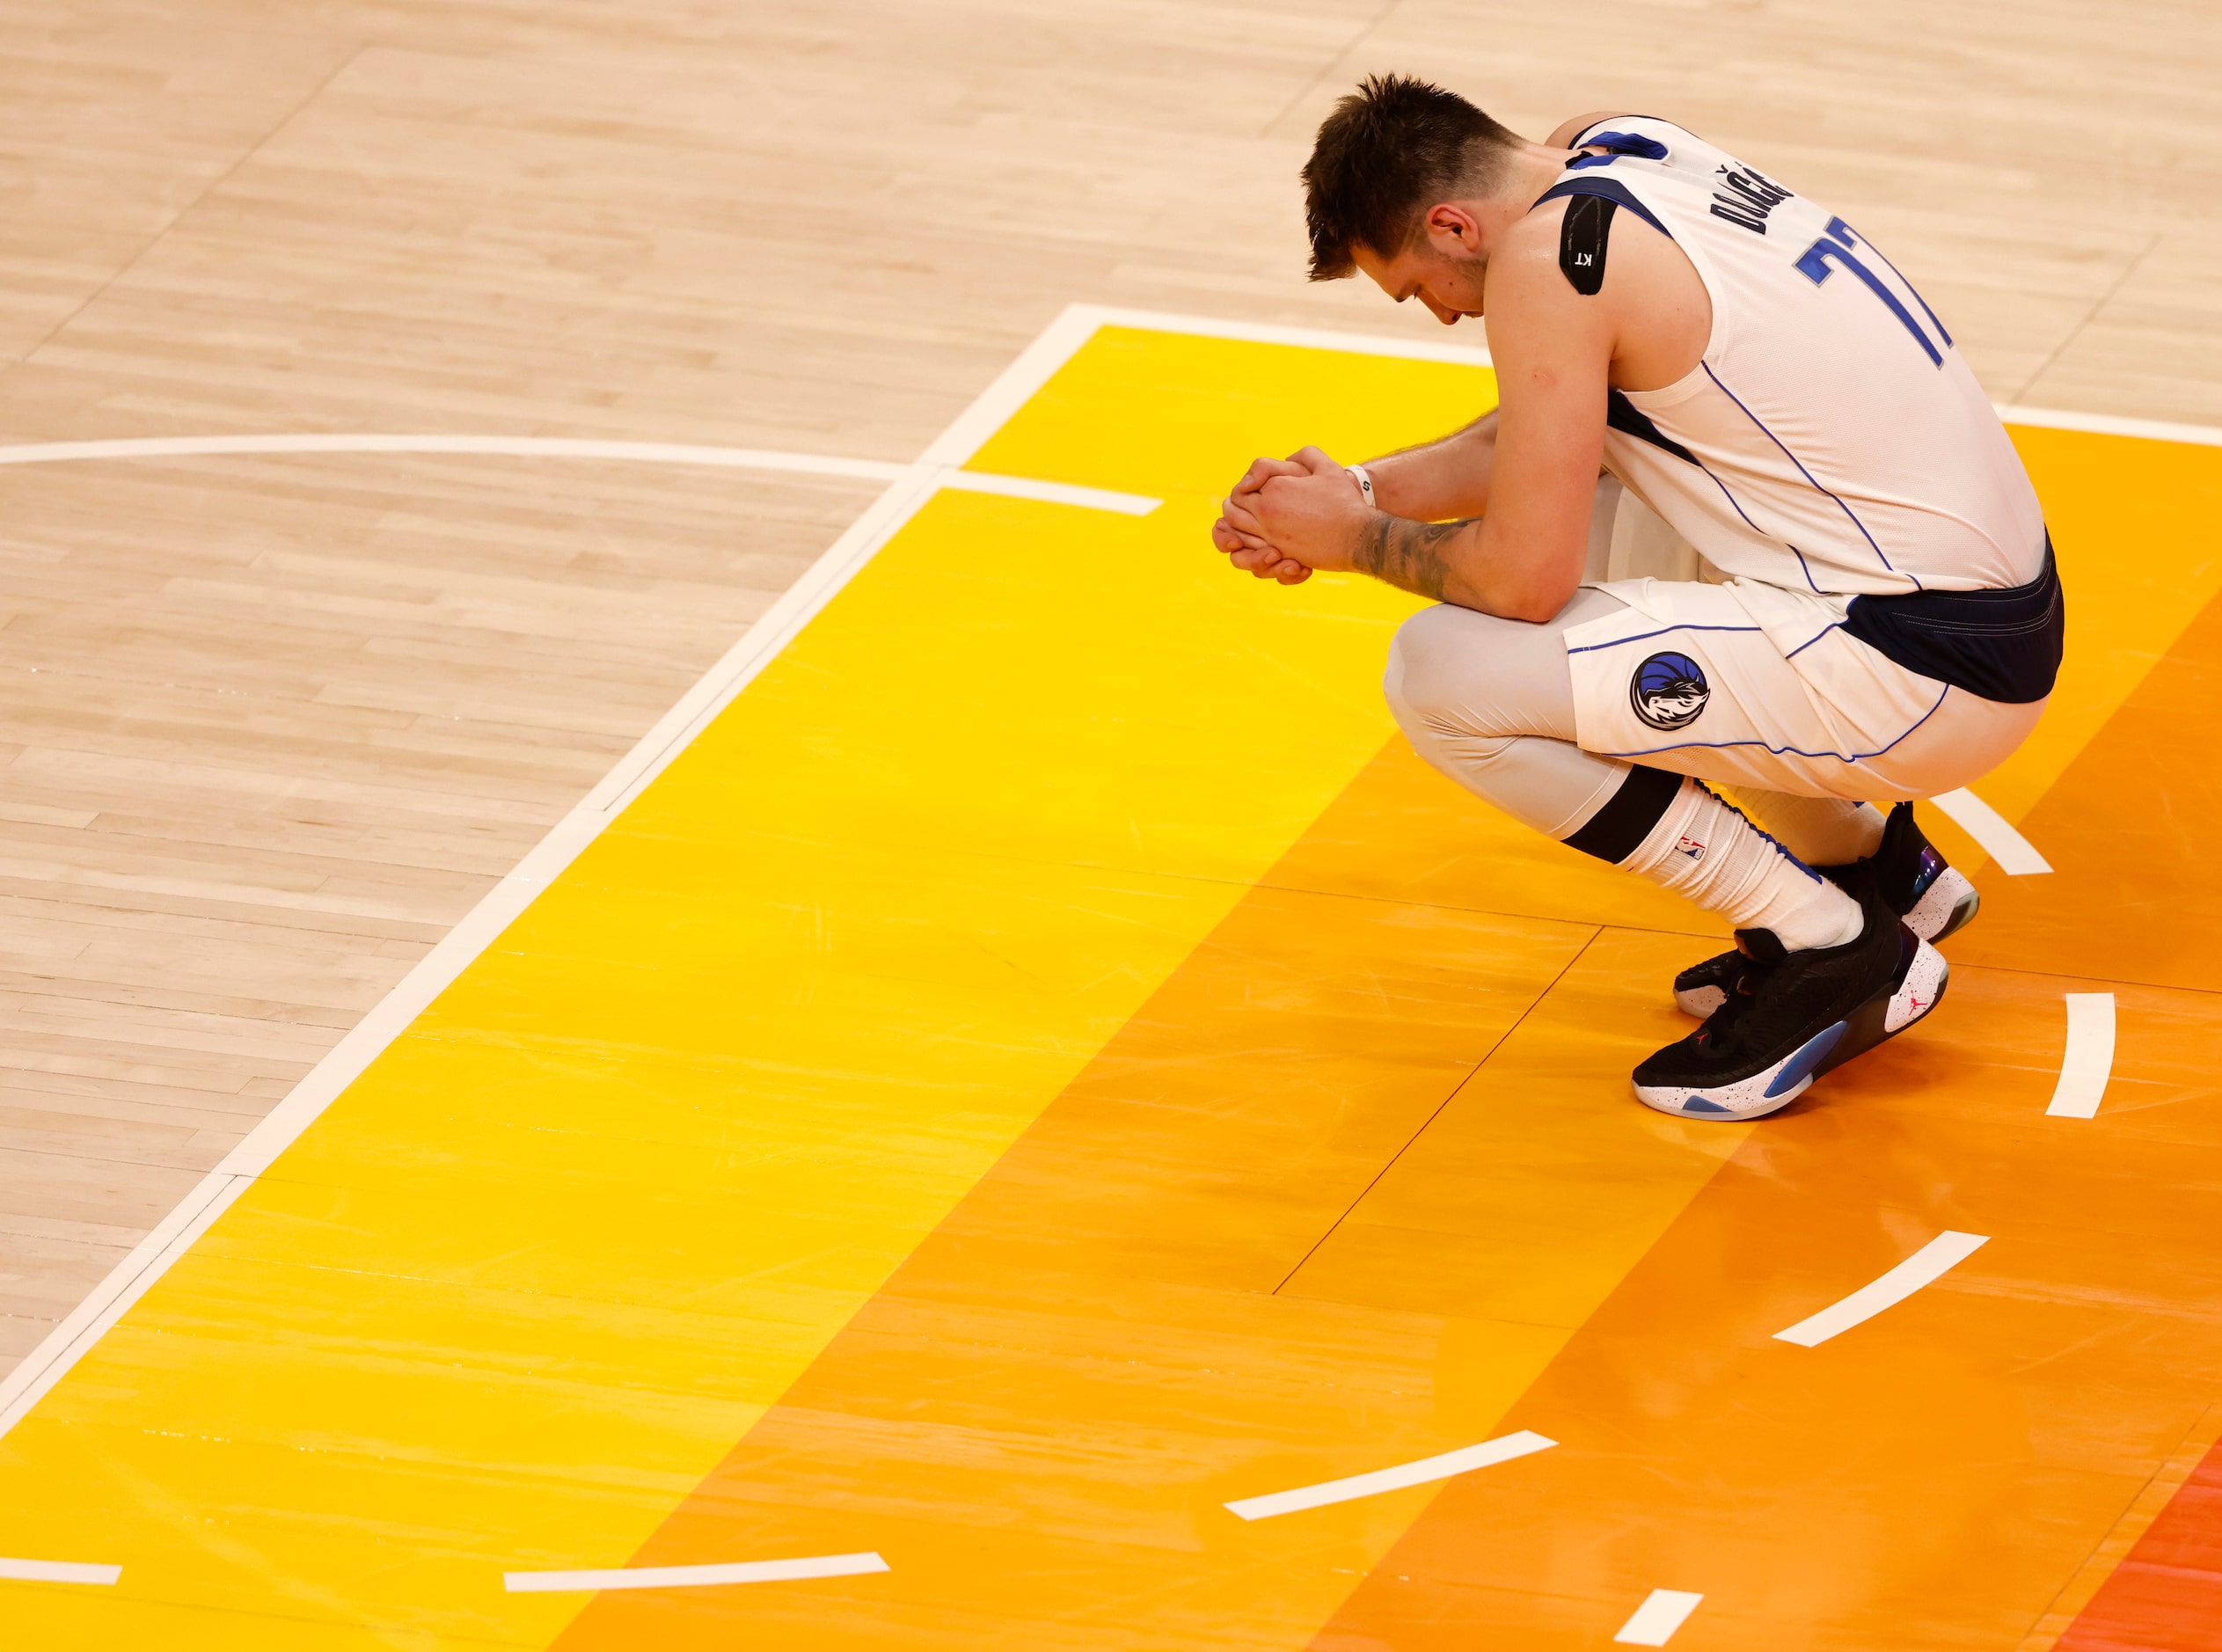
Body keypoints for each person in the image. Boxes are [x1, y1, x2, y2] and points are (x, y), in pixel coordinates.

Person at [1211, 76, 2062, 1120]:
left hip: (1921, 663)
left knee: (1439, 676)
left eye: (1418, 286)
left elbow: (1523, 581)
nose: (1439, 313)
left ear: (1450, 223)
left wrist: (1350, 542)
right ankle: (1878, 872)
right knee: (1619, 481)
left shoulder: (1546, 265)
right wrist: (1353, 493)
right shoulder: (1620, 150)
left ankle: (1828, 943)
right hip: (1972, 607)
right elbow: (1537, 437)